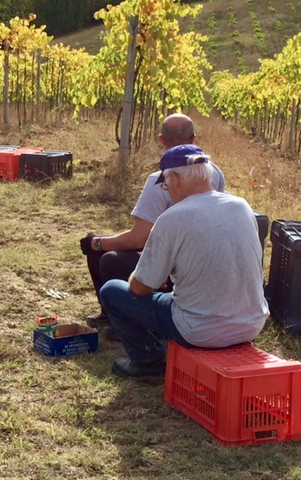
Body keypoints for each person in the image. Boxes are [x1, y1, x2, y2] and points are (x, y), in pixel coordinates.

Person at [99, 145, 269, 380]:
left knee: (111, 291)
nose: (168, 191)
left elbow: (140, 287)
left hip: (198, 330)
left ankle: (147, 362)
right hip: (251, 324)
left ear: (176, 178)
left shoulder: (172, 218)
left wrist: (140, 276)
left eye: (166, 185)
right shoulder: (242, 206)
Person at [80, 114, 226, 339]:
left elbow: (139, 239)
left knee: (105, 257)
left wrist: (96, 242)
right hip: (209, 276)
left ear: (161, 141)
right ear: (194, 138)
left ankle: (123, 321)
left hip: (179, 283)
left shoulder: (161, 182)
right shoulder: (213, 173)